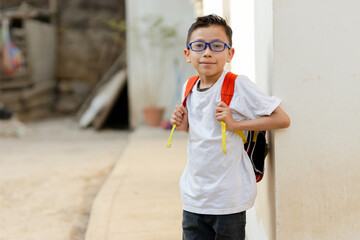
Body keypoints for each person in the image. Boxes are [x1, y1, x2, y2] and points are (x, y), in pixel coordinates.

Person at [170, 14, 290, 240]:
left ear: (229, 53)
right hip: (194, 198)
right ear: (188, 54)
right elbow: (199, 133)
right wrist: (183, 123)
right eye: (199, 46)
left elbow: (281, 119)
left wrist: (236, 124)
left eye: (216, 46)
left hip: (228, 200)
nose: (207, 52)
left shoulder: (237, 84)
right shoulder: (189, 85)